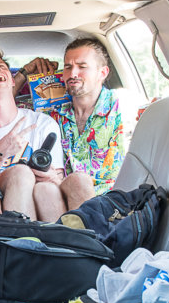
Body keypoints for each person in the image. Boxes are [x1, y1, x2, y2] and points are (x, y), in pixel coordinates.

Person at [0, 48, 66, 221]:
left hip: (43, 202)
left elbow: (56, 178)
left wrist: (53, 178)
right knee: (20, 173)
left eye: (1, 66)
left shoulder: (43, 123)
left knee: (48, 187)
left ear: (13, 81)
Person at [46, 37, 126, 206]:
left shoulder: (122, 106)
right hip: (66, 202)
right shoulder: (54, 115)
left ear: (102, 73)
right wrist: (23, 74)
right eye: (68, 67)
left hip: (114, 204)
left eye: (82, 67)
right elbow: (5, 110)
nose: (72, 74)